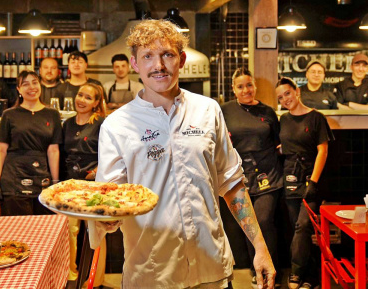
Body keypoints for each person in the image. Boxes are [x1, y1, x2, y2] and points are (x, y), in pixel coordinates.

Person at [96, 19, 275, 289]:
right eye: (148, 56)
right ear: (135, 64)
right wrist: (108, 219)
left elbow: (232, 182)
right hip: (152, 273)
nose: (158, 65)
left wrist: (260, 247)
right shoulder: (116, 125)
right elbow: (112, 198)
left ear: (180, 60)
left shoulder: (208, 110)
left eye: (167, 54)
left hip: (211, 267)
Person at [221, 67, 283, 286]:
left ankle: (270, 271)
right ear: (233, 89)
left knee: (264, 220)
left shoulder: (268, 112)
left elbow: (277, 143)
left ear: (255, 86)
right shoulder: (224, 110)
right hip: (238, 176)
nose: (246, 90)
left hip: (268, 174)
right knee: (248, 222)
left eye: (249, 85)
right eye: (241, 86)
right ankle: (256, 270)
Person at [275, 77, 334, 289]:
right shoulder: (283, 120)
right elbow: (284, 146)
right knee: (298, 230)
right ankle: (311, 278)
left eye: (287, 94)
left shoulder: (316, 117)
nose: (285, 99)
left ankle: (296, 273)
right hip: (289, 178)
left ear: (297, 92)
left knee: (303, 226)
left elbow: (323, 151)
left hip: (311, 179)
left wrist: (314, 182)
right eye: (280, 98)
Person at [0, 70, 62, 216]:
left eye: (35, 83)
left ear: (40, 85)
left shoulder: (52, 114)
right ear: (18, 90)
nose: (31, 88)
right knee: (15, 231)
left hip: (42, 179)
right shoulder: (9, 114)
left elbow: (53, 150)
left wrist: (55, 182)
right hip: (13, 179)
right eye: (25, 84)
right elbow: (1, 149)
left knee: (44, 230)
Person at [62, 83, 106, 285]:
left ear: (96, 103)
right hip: (70, 185)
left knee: (96, 232)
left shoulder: (102, 124)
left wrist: (95, 173)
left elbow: (110, 154)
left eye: (88, 97)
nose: (82, 100)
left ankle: (95, 281)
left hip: (92, 185)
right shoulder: (67, 124)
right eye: (80, 95)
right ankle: (71, 276)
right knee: (70, 232)